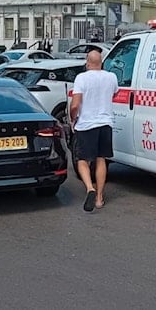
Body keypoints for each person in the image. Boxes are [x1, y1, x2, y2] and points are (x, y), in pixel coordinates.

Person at [69, 50, 118, 212]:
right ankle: (99, 198)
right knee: (101, 159)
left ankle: (90, 188)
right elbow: (114, 93)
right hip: (105, 123)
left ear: (87, 62)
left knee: (82, 160)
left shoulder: (81, 78)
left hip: (86, 124)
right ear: (101, 62)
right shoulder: (111, 77)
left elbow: (75, 105)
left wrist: (72, 118)